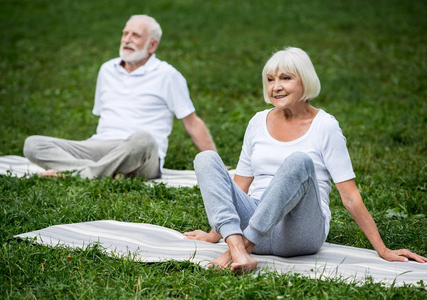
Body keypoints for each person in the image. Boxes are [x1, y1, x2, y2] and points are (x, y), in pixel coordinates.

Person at [184, 47, 427, 273]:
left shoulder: (325, 126)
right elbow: (238, 186)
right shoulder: (258, 121)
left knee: (299, 161)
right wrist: (213, 234)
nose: (276, 87)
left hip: (300, 234)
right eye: (270, 80)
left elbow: (350, 196)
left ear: (305, 81)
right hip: (257, 222)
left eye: (286, 78)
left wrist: (383, 250)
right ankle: (239, 250)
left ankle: (241, 248)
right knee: (206, 158)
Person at [23, 15, 216, 179]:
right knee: (33, 144)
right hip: (98, 147)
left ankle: (75, 173)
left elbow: (192, 122)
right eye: (125, 34)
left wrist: (215, 163)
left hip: (141, 154)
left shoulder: (168, 75)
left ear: (152, 45)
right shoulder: (107, 69)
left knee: (144, 139)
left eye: (135, 35)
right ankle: (98, 172)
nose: (127, 39)